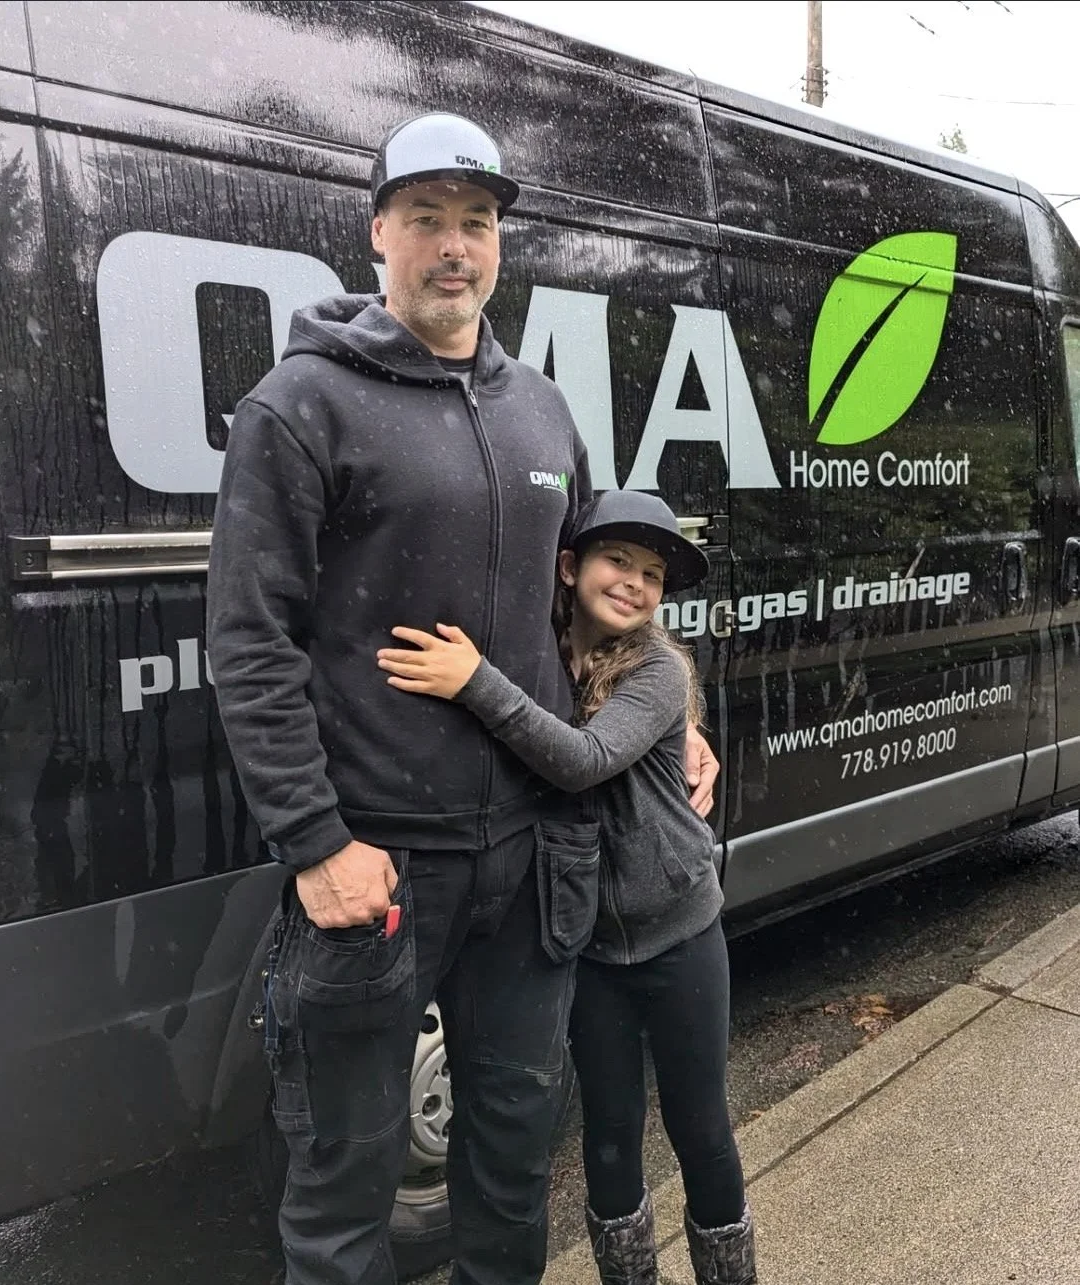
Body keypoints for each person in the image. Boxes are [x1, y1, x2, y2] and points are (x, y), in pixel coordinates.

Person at [207, 111, 720, 1285]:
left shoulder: (540, 408)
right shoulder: (301, 405)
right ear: (378, 232)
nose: (455, 245)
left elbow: (600, 596)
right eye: (427, 219)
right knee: (344, 1182)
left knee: (509, 1157)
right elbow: (248, 641)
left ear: (499, 245)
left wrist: (671, 715)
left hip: (537, 859)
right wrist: (314, 841)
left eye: (477, 223)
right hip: (381, 869)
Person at [377, 489, 757, 1285]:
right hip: (584, 940)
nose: (636, 583)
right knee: (609, 1135)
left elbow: (581, 758)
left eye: (653, 573)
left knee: (701, 1129)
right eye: (619, 560)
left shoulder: (658, 668)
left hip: (681, 933)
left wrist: (474, 679)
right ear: (568, 565)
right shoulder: (540, 652)